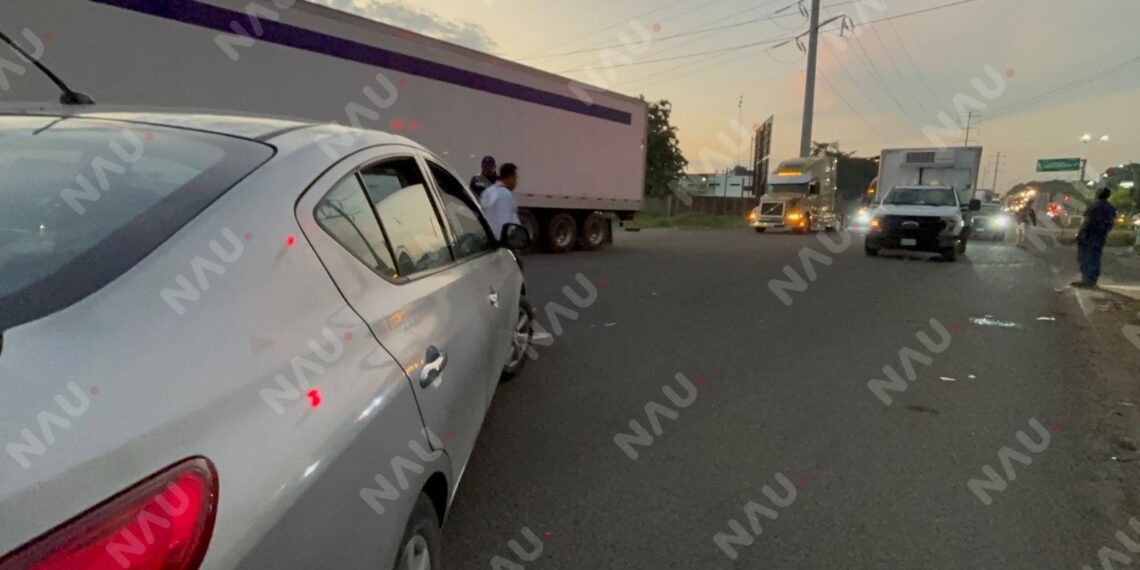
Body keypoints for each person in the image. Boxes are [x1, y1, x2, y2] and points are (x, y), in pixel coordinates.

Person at [1072, 187, 1118, 288]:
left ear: (1098, 194)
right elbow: (1112, 223)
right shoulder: (1110, 208)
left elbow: (1087, 221)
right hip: (1100, 236)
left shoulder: (1094, 207)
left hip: (1088, 235)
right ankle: (1092, 280)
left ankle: (1086, 280)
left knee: (1085, 257)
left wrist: (1079, 234)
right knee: (1095, 257)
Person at [480, 162, 520, 241]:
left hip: (486, 238)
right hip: (499, 241)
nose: (516, 182)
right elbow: (504, 222)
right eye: (515, 178)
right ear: (509, 177)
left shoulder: (488, 191)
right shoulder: (505, 194)